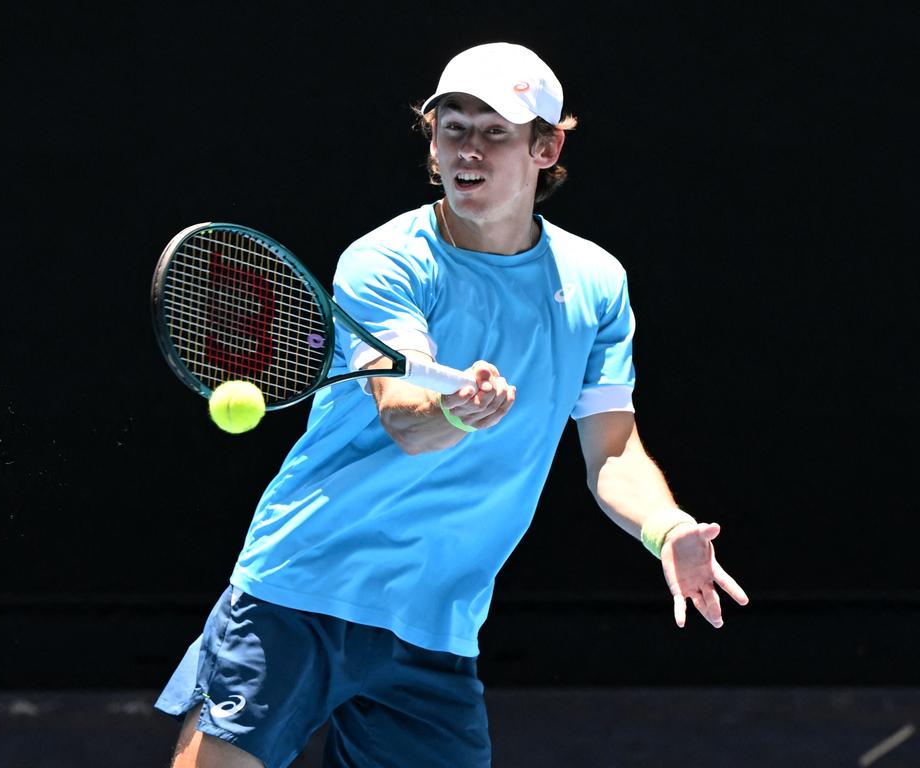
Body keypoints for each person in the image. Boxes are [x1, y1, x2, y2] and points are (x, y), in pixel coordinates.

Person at [155, 42, 749, 768]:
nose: (468, 148)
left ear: (547, 146)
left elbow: (613, 450)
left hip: (436, 624)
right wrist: (457, 414)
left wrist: (667, 528)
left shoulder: (596, 283)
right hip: (303, 587)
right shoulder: (387, 261)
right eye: (452, 126)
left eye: (495, 130)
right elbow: (404, 412)